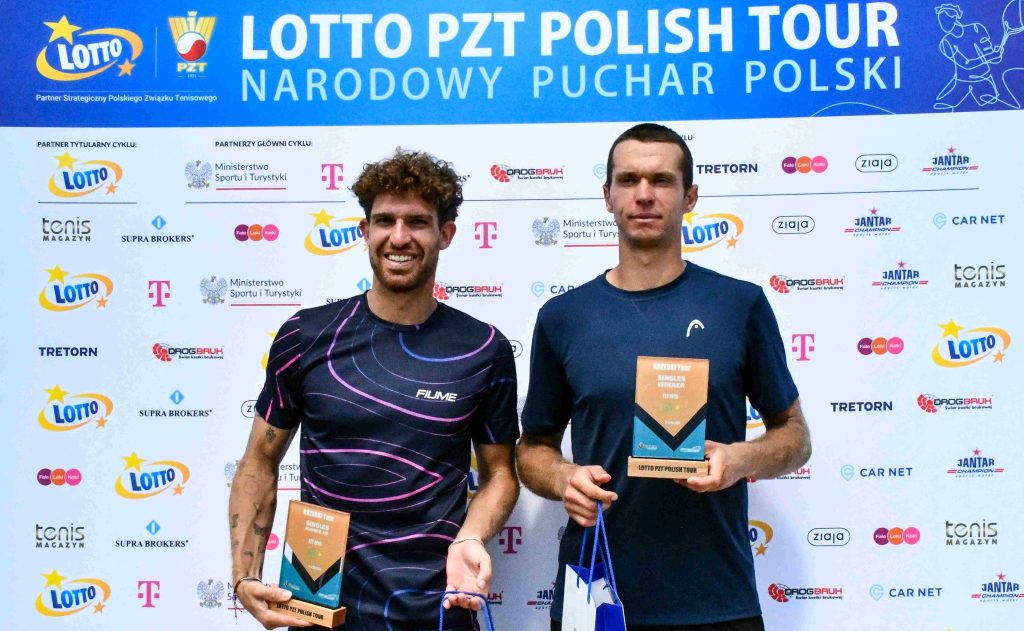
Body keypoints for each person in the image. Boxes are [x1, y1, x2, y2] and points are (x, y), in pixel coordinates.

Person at [517, 124, 811, 630]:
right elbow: (532, 449)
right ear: (607, 196)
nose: (644, 194)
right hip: (597, 599)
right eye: (628, 179)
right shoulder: (564, 317)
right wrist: (564, 478)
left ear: (689, 196)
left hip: (717, 602)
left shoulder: (739, 305)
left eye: (662, 180)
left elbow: (796, 436)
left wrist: (740, 459)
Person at [228, 149, 520, 630]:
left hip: (438, 610)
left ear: (446, 234)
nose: (398, 237)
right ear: (365, 231)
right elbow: (259, 460)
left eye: (417, 222)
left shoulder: (483, 349)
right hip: (319, 609)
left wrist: (470, 538)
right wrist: (244, 575)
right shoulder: (306, 336)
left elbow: (500, 475)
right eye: (385, 220)